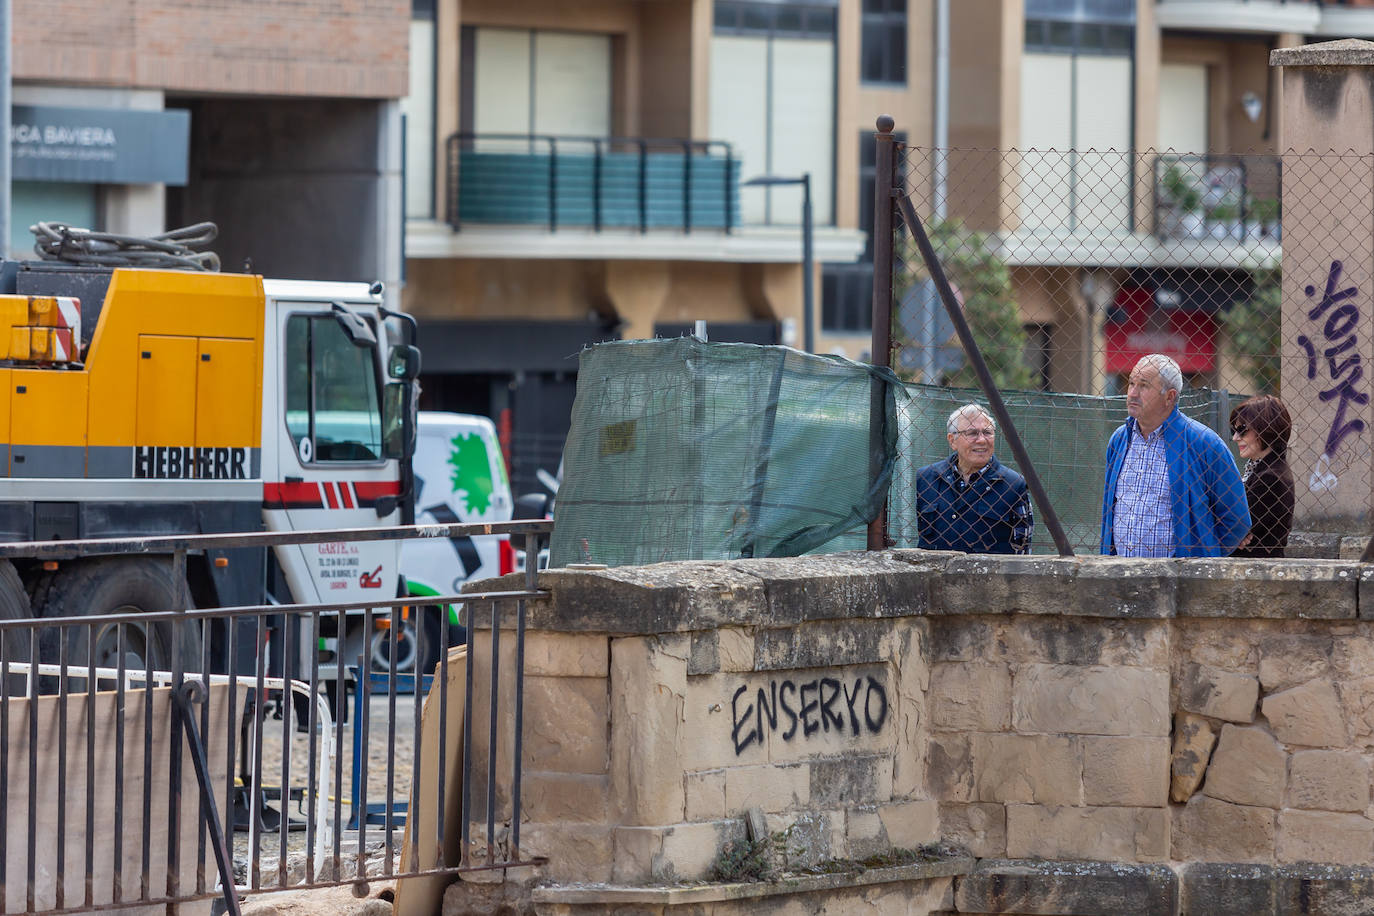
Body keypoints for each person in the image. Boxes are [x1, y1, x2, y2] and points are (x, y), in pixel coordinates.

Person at [1101, 354, 1250, 558]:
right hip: (1121, 575)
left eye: (1144, 386)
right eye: (1131, 383)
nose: (1132, 393)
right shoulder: (1119, 440)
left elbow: (1237, 519)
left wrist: (1204, 554)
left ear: (1170, 396)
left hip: (1179, 583)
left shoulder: (1204, 443)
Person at [915, 404, 1033, 554]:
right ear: (952, 441)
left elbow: (1023, 548)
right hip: (933, 575)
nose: (982, 440)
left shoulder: (1014, 485)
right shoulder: (926, 479)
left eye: (987, 432)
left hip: (991, 577)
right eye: (972, 433)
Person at [1229, 394, 1294, 558]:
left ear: (1266, 429)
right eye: (1234, 430)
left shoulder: (1271, 478)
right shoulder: (1262, 468)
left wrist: (1230, 536)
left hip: (1257, 571)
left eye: (1242, 430)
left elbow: (1231, 528)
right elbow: (1230, 528)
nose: (1235, 438)